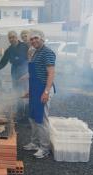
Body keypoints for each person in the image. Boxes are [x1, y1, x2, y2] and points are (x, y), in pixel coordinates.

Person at [23, 30, 56, 158]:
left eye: (36, 38)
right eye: (31, 39)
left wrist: (46, 92)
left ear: (42, 38)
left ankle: (44, 148)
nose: (33, 41)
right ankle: (34, 143)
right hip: (35, 90)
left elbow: (51, 73)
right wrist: (30, 91)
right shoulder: (35, 52)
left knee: (42, 119)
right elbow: (34, 73)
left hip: (43, 89)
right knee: (32, 118)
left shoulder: (48, 52)